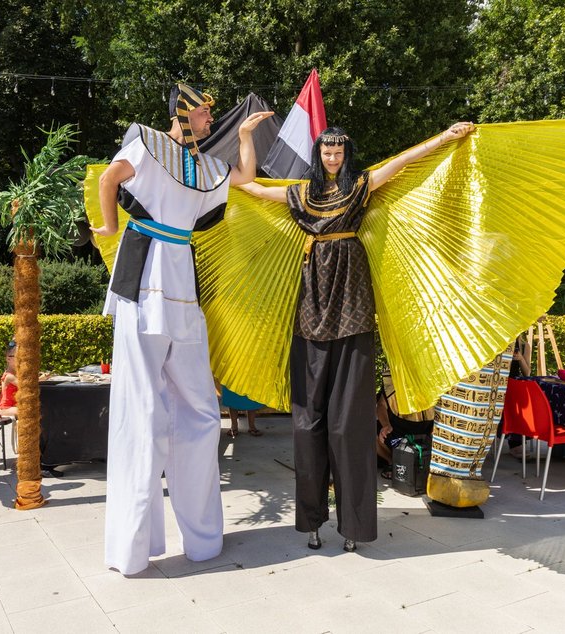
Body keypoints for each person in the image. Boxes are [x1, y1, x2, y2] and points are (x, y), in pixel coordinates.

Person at [238, 122, 474, 552]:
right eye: (326, 153)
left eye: (338, 152)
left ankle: (355, 525)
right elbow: (250, 187)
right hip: (311, 309)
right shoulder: (301, 194)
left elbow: (402, 163)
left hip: (354, 308)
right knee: (308, 423)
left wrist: (444, 138)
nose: (332, 158)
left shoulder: (361, 187)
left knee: (350, 424)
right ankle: (310, 520)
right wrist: (243, 138)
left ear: (346, 154)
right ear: (318, 155)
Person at [90, 82, 273, 575]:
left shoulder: (207, 165)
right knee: (140, 409)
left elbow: (246, 178)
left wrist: (247, 136)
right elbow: (110, 178)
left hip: (181, 283)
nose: (212, 122)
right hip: (144, 276)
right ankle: (132, 548)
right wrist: (108, 227)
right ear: (184, 113)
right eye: (208, 115)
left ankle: (202, 541)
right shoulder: (147, 145)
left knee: (201, 411)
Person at [0, 341, 19, 418]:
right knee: (26, 411)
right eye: (18, 356)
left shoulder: (15, 374)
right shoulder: (9, 376)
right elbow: (24, 385)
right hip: (5, 408)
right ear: (8, 359)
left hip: (13, 406)